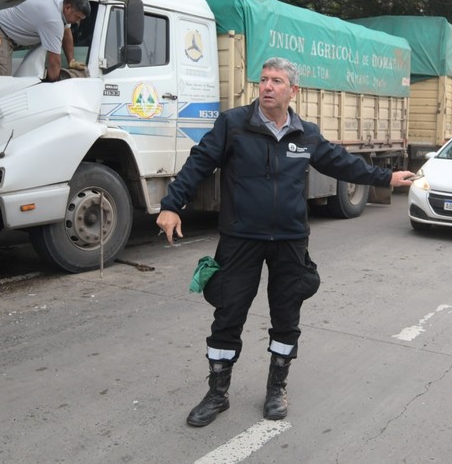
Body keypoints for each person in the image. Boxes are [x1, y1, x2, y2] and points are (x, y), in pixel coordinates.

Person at [156, 57, 414, 427]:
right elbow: (199, 163)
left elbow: (341, 163)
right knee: (227, 316)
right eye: (263, 80)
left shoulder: (305, 134)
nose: (267, 87)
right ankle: (217, 394)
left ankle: (277, 387)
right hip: (240, 239)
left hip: (290, 241)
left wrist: (386, 178)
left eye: (277, 81)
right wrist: (171, 205)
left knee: (286, 317)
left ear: (293, 91)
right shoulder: (233, 125)